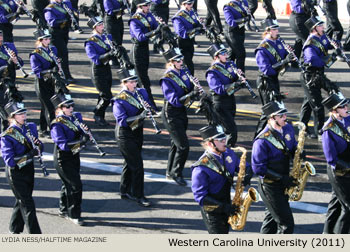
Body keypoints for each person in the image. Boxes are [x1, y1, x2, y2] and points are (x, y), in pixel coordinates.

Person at [191, 124, 252, 234]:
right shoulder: (200, 168)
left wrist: (247, 174)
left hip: (227, 202)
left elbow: (244, 166)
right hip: (213, 210)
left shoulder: (228, 153)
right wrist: (224, 207)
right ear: (210, 143)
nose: (225, 142)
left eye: (225, 138)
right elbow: (201, 198)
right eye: (221, 140)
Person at [251, 101, 298, 234]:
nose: (285, 117)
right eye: (281, 115)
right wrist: (280, 178)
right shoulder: (261, 141)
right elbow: (258, 168)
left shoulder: (288, 128)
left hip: (283, 181)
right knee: (286, 224)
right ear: (272, 118)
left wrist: (297, 151)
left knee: (271, 219)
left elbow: (292, 145)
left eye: (285, 114)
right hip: (270, 185)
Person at [112, 67, 156, 207]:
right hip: (125, 134)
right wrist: (140, 115)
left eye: (135, 81)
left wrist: (150, 111)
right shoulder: (119, 100)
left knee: (129, 162)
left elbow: (150, 107)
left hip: (137, 131)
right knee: (137, 165)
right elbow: (122, 121)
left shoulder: (141, 93)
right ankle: (138, 195)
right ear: (124, 83)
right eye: (131, 82)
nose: (134, 84)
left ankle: (124, 190)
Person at [160, 48, 201, 186]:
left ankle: (169, 170)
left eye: (181, 59)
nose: (181, 62)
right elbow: (174, 100)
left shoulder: (184, 72)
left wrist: (195, 92)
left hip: (181, 111)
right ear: (171, 62)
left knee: (175, 143)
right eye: (178, 60)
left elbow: (188, 89)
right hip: (171, 112)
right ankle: (176, 173)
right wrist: (190, 95)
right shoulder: (167, 79)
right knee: (183, 146)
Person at [0, 101, 42, 234]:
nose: (24, 116)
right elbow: (10, 161)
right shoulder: (6, 136)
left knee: (22, 200)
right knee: (28, 204)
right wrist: (29, 154)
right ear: (12, 117)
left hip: (29, 169)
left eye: (24, 113)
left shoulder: (31, 127)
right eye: (20, 114)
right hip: (16, 173)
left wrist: (39, 146)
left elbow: (39, 146)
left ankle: (14, 229)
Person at [50, 92, 89, 226]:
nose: (71, 108)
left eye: (72, 105)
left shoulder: (76, 117)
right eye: (67, 106)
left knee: (67, 184)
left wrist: (85, 133)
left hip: (74, 154)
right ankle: (74, 214)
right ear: (60, 109)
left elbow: (81, 133)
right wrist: (81, 142)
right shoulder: (56, 124)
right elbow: (64, 145)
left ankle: (63, 209)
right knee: (75, 185)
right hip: (63, 158)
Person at [299, 16, 340, 141]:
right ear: (315, 28)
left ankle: (302, 125)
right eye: (321, 26)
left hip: (317, 74)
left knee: (308, 102)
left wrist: (336, 45)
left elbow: (327, 45)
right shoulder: (310, 44)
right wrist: (331, 58)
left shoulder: (320, 37)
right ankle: (320, 131)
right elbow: (313, 60)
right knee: (317, 105)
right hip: (309, 76)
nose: (323, 28)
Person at [254, 18, 295, 137]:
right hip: (265, 81)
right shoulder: (262, 49)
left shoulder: (278, 43)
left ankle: (273, 133)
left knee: (276, 109)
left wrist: (291, 57)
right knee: (268, 111)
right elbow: (267, 69)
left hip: (274, 79)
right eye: (274, 29)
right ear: (268, 31)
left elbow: (283, 57)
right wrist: (283, 62)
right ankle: (258, 136)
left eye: (277, 29)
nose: (277, 31)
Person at [321, 92, 350, 234]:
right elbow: (331, 159)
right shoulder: (328, 130)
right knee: (348, 207)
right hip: (339, 171)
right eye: (342, 106)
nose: (346, 107)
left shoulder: (347, 118)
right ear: (334, 110)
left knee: (336, 204)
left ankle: (327, 234)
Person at [206, 42, 243, 148]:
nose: (226, 56)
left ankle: (225, 150)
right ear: (216, 57)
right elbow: (219, 89)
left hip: (230, 99)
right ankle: (226, 152)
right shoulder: (212, 72)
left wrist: (240, 80)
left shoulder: (230, 65)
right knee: (231, 131)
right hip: (220, 103)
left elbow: (234, 80)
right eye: (223, 54)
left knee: (227, 129)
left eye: (226, 53)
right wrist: (235, 84)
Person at [30, 28, 63, 138]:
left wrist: (57, 65)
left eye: (49, 38)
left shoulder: (53, 49)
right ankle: (53, 130)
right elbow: (37, 71)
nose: (48, 40)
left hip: (52, 81)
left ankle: (43, 129)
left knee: (45, 107)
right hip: (42, 83)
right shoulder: (35, 54)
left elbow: (54, 64)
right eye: (46, 39)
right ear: (40, 40)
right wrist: (49, 71)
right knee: (49, 107)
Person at [129, 0, 162, 109]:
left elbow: (155, 25)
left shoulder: (149, 15)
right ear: (140, 6)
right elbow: (140, 36)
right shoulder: (134, 20)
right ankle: (151, 106)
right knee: (143, 80)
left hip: (145, 48)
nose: (149, 7)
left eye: (148, 5)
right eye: (146, 5)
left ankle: (140, 104)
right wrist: (155, 32)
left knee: (143, 78)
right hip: (137, 50)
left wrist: (160, 28)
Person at [84, 16, 114, 126]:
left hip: (107, 68)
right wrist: (108, 54)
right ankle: (97, 113)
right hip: (98, 70)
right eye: (100, 25)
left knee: (103, 94)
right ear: (94, 27)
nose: (102, 27)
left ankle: (100, 116)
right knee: (107, 96)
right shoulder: (90, 42)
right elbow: (95, 58)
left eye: (102, 24)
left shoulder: (107, 37)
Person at [44, 0, 77, 83]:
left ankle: (62, 74)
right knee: (62, 54)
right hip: (55, 34)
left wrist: (74, 15)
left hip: (64, 32)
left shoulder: (65, 4)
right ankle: (65, 75)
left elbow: (72, 12)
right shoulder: (50, 8)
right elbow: (52, 22)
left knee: (62, 54)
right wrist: (65, 20)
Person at [0, 30, 24, 132]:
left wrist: (15, 61)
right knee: (3, 111)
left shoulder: (9, 46)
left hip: (9, 82)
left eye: (1, 36)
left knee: (12, 109)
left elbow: (20, 64)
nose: (0, 39)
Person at [172, 0, 204, 75]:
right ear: (183, 4)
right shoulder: (178, 17)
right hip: (182, 43)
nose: (191, 5)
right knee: (189, 66)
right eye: (189, 4)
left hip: (190, 42)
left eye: (192, 3)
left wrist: (200, 26)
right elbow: (183, 34)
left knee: (187, 65)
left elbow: (195, 24)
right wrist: (196, 30)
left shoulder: (192, 12)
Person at [289, 0, 317, 66]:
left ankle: (294, 61)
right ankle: (306, 63)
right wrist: (307, 5)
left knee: (300, 39)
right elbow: (298, 6)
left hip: (305, 16)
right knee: (307, 40)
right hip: (298, 17)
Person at [223, 0, 249, 72]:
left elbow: (247, 14)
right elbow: (231, 22)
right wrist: (244, 19)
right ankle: (241, 77)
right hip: (231, 32)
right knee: (241, 53)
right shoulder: (228, 6)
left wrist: (249, 15)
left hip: (240, 31)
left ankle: (227, 73)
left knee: (232, 54)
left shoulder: (244, 2)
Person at [103, 0, 127, 66]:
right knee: (114, 41)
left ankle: (118, 58)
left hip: (118, 20)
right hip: (111, 22)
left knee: (119, 40)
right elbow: (110, 11)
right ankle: (114, 60)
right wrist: (121, 9)